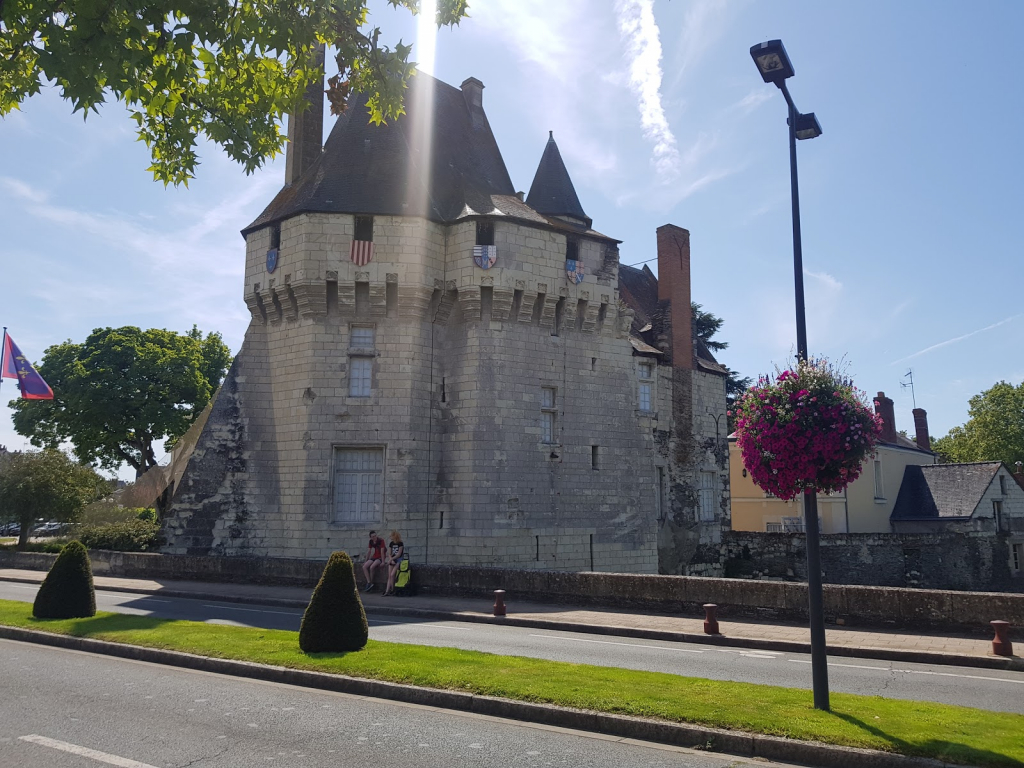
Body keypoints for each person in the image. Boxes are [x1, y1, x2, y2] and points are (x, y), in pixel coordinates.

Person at [383, 530, 405, 596]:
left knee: (393, 574)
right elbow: (389, 553)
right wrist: (391, 559)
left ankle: (393, 589)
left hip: (398, 559)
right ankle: (387, 591)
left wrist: (391, 559)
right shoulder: (391, 543)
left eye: (391, 536)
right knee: (389, 576)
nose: (390, 537)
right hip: (392, 559)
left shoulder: (400, 543)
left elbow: (399, 554)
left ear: (394, 536)